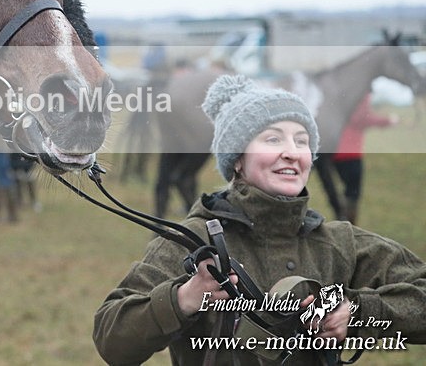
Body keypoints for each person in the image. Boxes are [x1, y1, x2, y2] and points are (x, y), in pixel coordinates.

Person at [93, 74, 426, 365]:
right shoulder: (193, 243)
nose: (292, 152)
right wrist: (185, 297)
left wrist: (358, 312)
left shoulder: (340, 243)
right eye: (272, 139)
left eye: (302, 141)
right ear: (237, 159)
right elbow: (111, 339)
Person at [332, 93, 398, 224]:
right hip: (350, 154)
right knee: (352, 194)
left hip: (335, 152)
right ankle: (348, 228)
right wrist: (388, 121)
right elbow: (361, 118)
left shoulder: (341, 92)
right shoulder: (361, 94)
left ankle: (342, 223)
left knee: (343, 193)